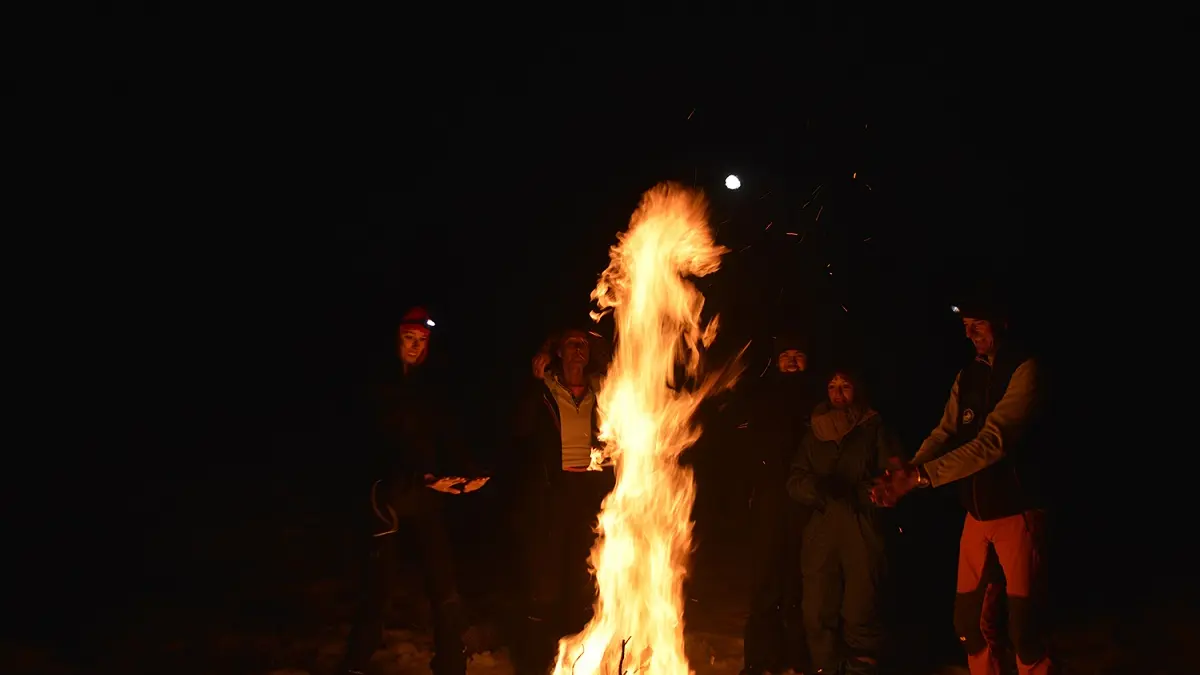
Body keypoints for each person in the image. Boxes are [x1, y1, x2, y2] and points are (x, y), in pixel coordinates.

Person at [871, 295, 1052, 675]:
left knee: (1024, 627)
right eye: (965, 326)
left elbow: (993, 442)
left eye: (978, 325)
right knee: (969, 624)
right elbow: (946, 432)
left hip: (1017, 511)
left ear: (1001, 322)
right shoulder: (968, 375)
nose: (970, 335)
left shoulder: (1025, 369)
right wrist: (909, 472)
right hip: (975, 514)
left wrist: (922, 476)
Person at [338, 307, 488, 675]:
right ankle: (354, 665)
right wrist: (419, 479)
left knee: (444, 585)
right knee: (378, 590)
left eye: (422, 341)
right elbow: (369, 450)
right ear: (396, 339)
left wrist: (469, 474)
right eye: (409, 338)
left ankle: (452, 664)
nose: (416, 346)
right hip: (385, 497)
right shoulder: (376, 386)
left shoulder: (427, 389)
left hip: (424, 496)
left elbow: (446, 436)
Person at [511, 326, 611, 675]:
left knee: (583, 575)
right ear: (559, 353)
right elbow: (521, 429)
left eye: (582, 345)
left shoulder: (602, 389)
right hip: (553, 492)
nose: (578, 351)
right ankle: (538, 661)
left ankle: (577, 661)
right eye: (571, 345)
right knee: (546, 580)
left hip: (590, 492)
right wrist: (534, 380)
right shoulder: (546, 389)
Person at [787, 369, 901, 675]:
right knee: (817, 608)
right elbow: (795, 479)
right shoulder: (815, 432)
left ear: (858, 390)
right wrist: (817, 489)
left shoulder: (874, 427)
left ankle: (861, 669)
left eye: (845, 387)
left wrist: (861, 491)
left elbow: (894, 477)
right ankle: (825, 667)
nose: (838, 393)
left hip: (861, 525)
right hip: (822, 527)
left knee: (860, 607)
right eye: (832, 387)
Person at [740, 333, 820, 675]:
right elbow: (744, 450)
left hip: (808, 505)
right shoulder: (761, 397)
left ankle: (799, 658)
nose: (791, 361)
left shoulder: (819, 401)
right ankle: (760, 661)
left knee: (801, 584)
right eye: (785, 355)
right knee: (764, 583)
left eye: (798, 355)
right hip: (770, 502)